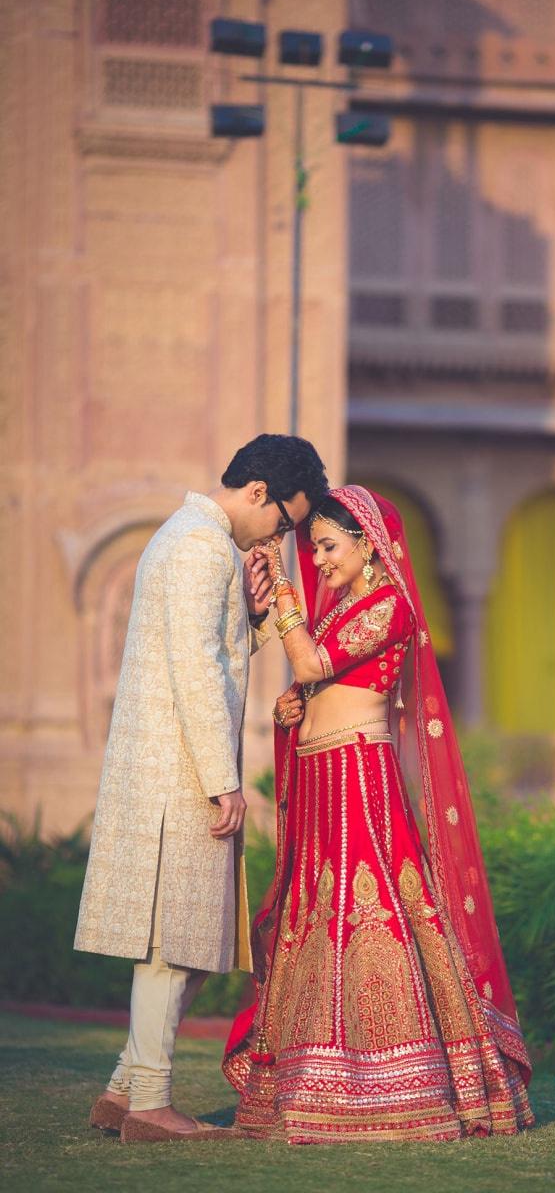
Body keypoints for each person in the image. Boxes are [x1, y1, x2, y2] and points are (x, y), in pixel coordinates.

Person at [223, 485, 535, 1143]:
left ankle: (396, 1084)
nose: (321, 560)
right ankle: (310, 1079)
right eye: (312, 550)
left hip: (360, 782)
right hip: (323, 779)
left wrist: (281, 587)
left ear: (369, 546)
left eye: (329, 546)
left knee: (375, 917)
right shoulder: (337, 611)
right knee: (314, 922)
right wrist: (291, 711)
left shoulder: (389, 605)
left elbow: (310, 661)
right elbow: (313, 680)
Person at [74, 434, 329, 1143]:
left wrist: (247, 618)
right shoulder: (197, 547)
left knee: (189, 941)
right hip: (178, 772)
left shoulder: (198, 542)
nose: (278, 538)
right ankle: (150, 1103)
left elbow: (207, 653)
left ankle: (127, 1089)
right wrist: (224, 782)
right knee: (172, 946)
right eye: (281, 522)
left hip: (175, 765)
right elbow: (194, 674)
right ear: (257, 492)